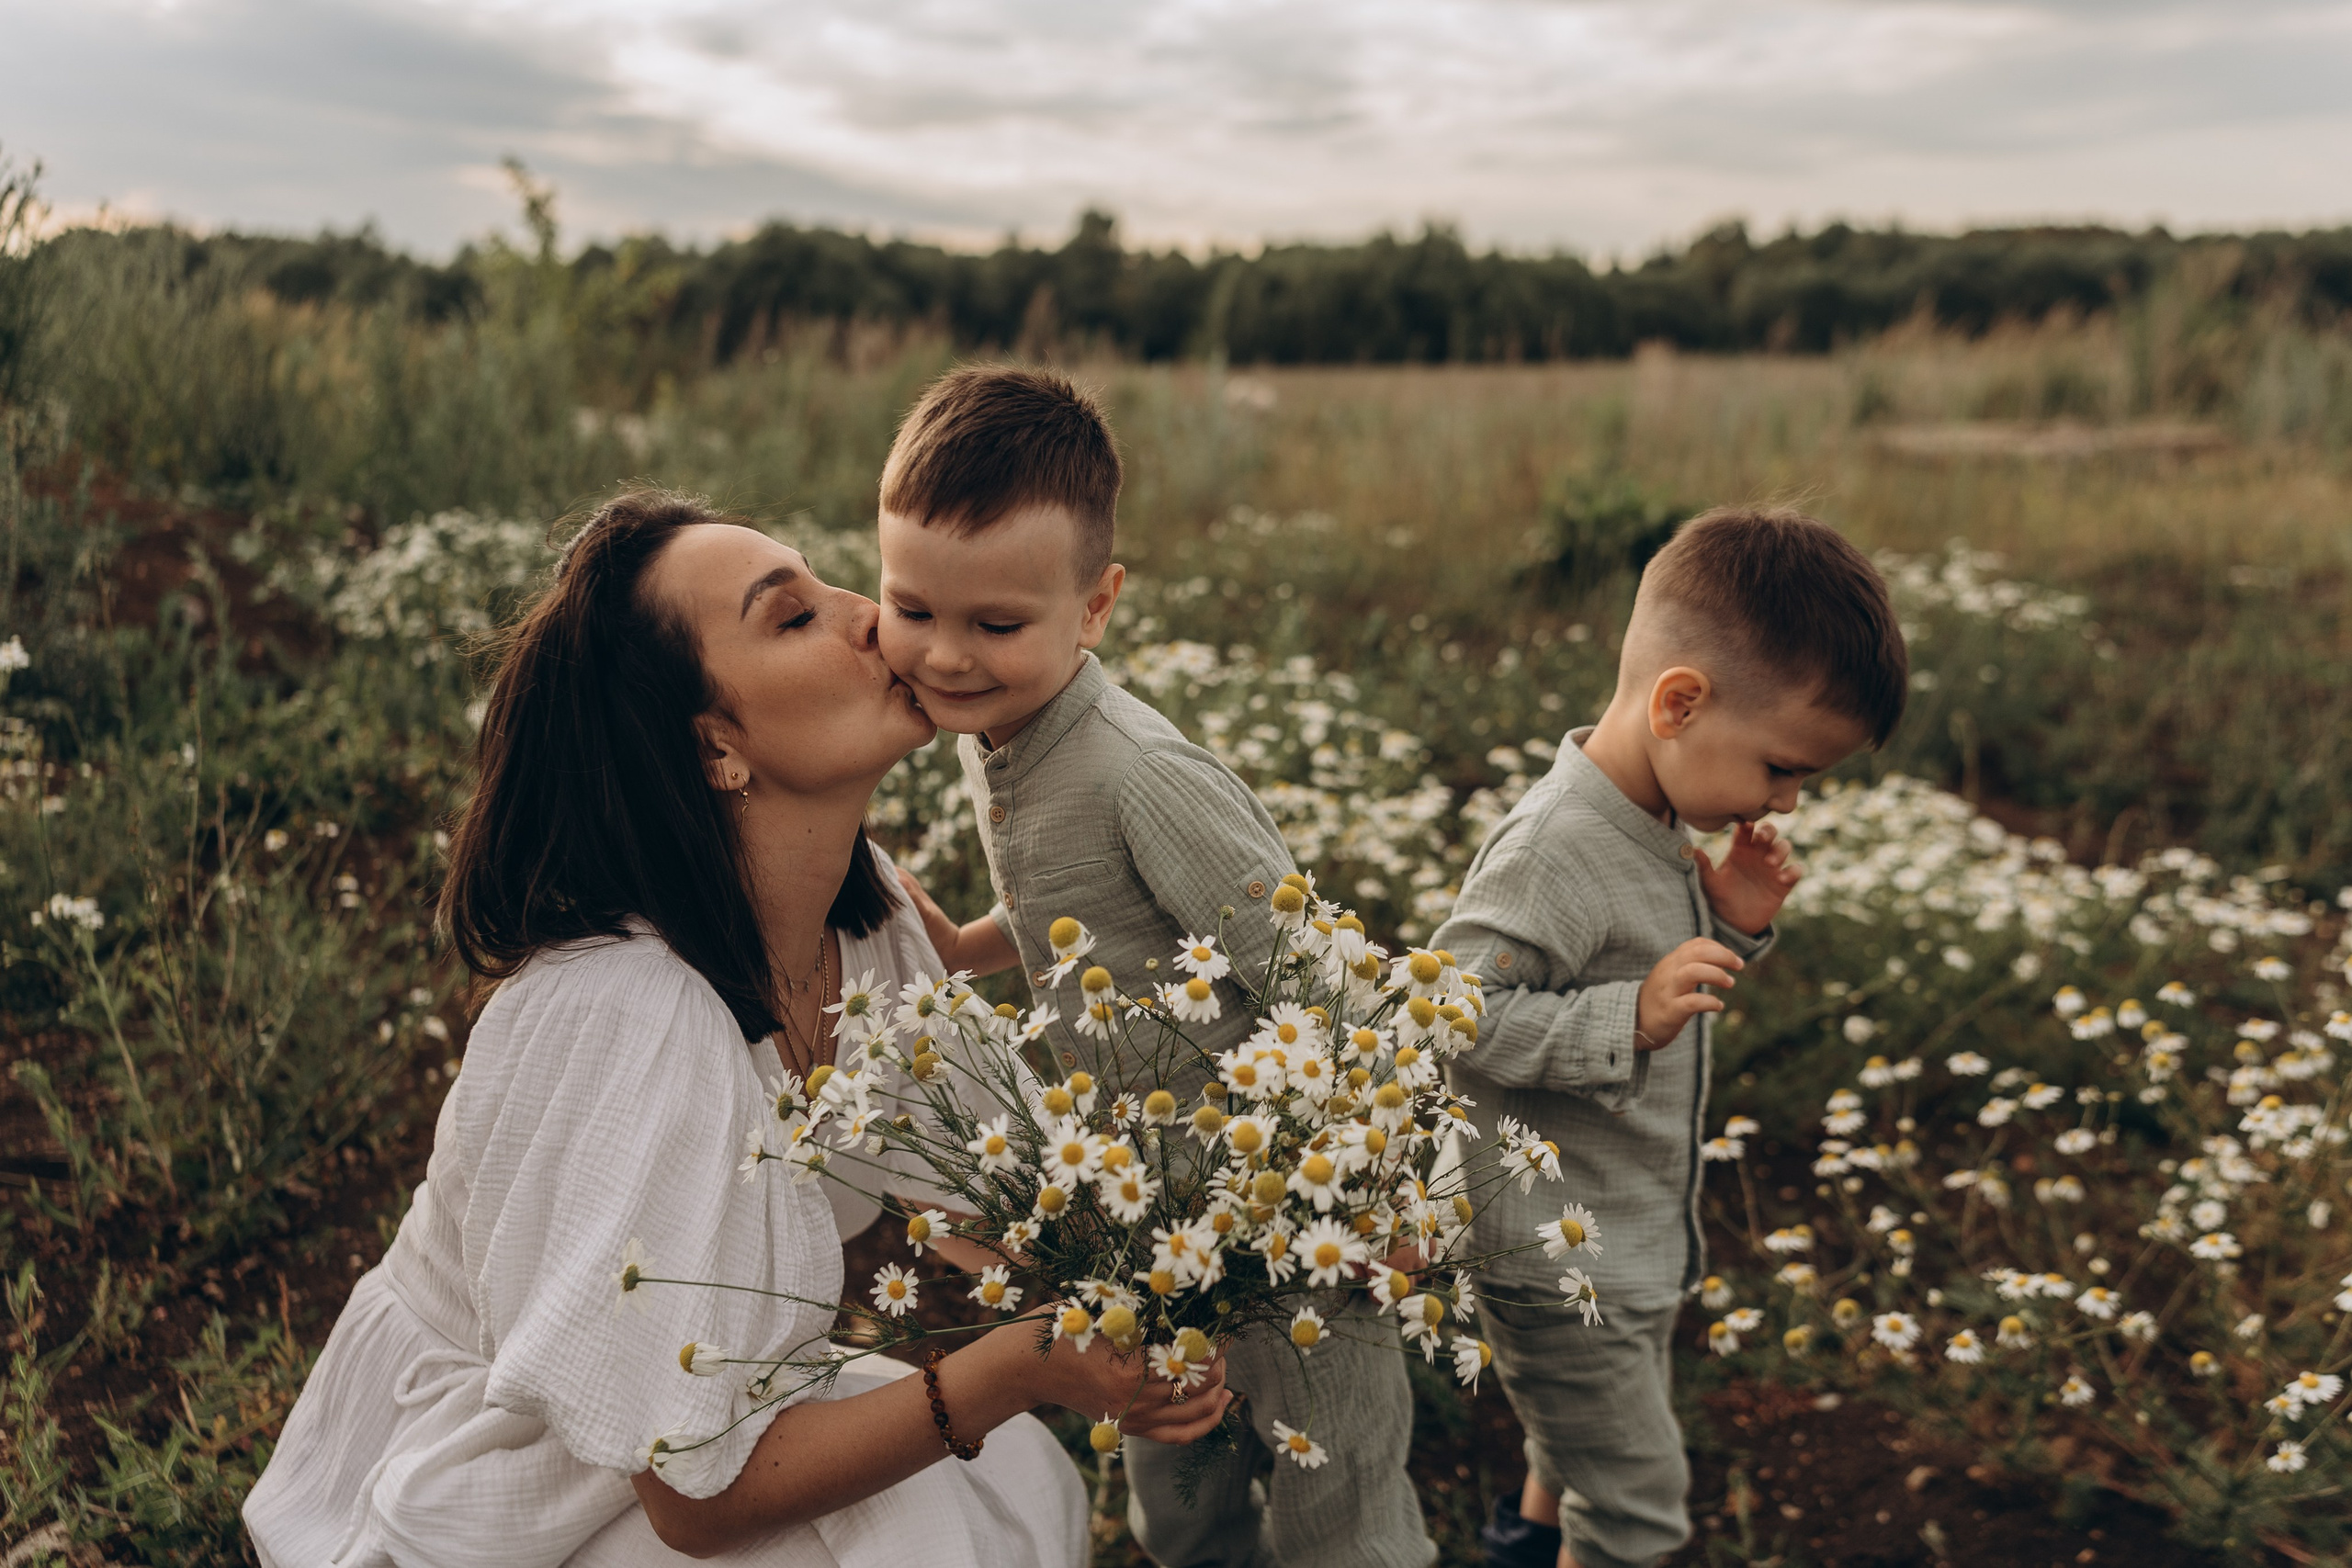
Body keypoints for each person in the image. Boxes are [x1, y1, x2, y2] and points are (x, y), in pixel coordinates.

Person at [241, 491, 1229, 1568]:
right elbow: (692, 1501)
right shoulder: (624, 1012)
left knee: (1008, 1480)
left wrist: (1253, 1247)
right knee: (913, 1518)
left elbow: (1006, 1199)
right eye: (792, 615)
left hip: (691, 1444)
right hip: (498, 1476)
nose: (871, 615)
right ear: (717, 745)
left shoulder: (869, 921)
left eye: (830, 584)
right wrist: (1014, 1367)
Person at [873, 366, 1436, 1568]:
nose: (947, 655)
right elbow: (1087, 914)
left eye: (997, 624)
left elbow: (1314, 967)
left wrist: (1388, 1180)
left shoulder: (1139, 772)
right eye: (912, 608)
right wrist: (975, 941)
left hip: (1284, 1200)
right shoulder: (1010, 733)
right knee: (1178, 1478)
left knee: (1330, 1483)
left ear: (1098, 605)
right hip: (1147, 1207)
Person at [1431, 507, 1908, 1568]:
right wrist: (1626, 1016)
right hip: (1555, 1257)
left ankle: (1523, 1544)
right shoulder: (1553, 846)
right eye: (1783, 768)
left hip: (1623, 1233)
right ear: (1679, 703)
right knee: (1635, 1509)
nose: (1785, 799)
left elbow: (1647, 976)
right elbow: (1450, 1011)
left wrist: (1727, 925)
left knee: (1577, 1461)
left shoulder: (1648, 822)